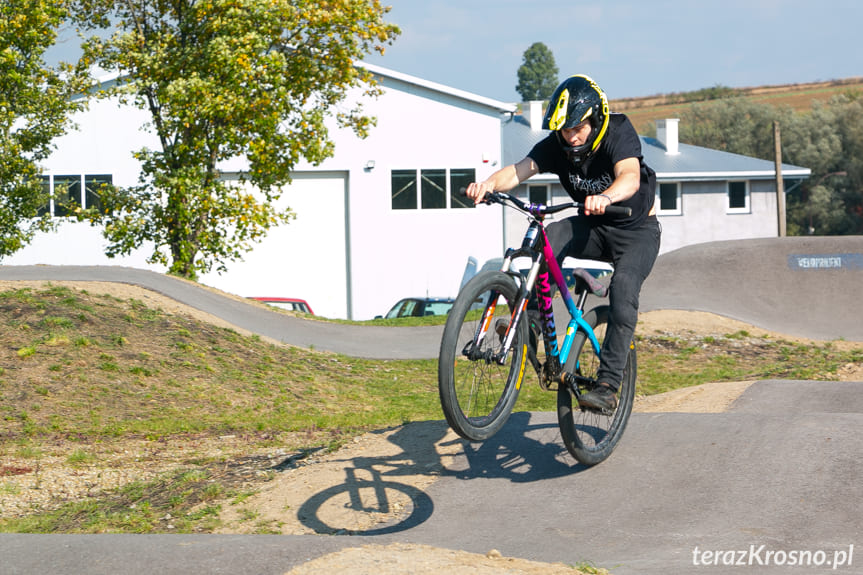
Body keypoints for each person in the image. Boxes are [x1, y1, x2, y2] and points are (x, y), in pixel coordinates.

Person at [465, 74, 661, 411]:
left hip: (636, 229)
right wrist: (487, 185)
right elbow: (517, 171)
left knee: (623, 291)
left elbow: (629, 177)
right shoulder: (558, 145)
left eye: (577, 128)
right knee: (550, 237)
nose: (571, 137)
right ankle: (533, 327)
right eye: (565, 131)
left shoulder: (619, 132)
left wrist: (606, 196)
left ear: (595, 119)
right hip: (594, 227)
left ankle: (608, 385)